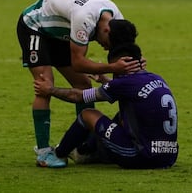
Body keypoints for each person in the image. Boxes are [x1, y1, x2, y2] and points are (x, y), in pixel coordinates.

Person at [16, 0, 141, 168]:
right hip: (36, 28)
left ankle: (85, 147)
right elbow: (78, 63)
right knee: (45, 85)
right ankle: (43, 152)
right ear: (106, 30)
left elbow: (124, 52)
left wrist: (137, 62)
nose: (107, 49)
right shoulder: (85, 17)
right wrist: (111, 67)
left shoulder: (117, 18)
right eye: (108, 44)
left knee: (83, 83)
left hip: (63, 33)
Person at [34, 42, 179, 169]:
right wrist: (105, 80)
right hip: (168, 157)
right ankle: (88, 151)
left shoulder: (124, 83)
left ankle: (59, 154)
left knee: (88, 115)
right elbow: (127, 89)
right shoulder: (156, 78)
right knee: (123, 116)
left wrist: (50, 90)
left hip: (140, 157)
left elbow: (78, 96)